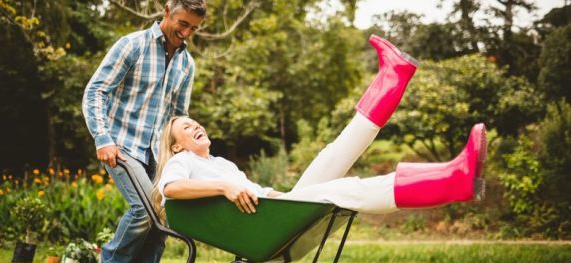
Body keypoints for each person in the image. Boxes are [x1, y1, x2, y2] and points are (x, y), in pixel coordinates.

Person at [153, 35, 486, 216]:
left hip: (275, 212)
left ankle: (393, 77)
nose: (194, 124)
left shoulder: (220, 163)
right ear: (177, 145)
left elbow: (260, 192)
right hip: (265, 224)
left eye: (194, 121)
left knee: (334, 152)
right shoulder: (183, 162)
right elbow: (170, 190)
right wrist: (225, 188)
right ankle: (453, 181)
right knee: (347, 189)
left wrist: (279, 194)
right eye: (185, 127)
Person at [82, 0, 206, 263]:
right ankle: (111, 262)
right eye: (182, 23)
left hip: (159, 152)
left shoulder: (186, 64)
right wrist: (103, 137)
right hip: (121, 144)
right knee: (145, 206)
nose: (186, 32)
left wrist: (188, 155)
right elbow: (96, 91)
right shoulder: (132, 45)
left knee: (160, 216)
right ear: (167, 12)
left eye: (193, 27)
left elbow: (178, 116)